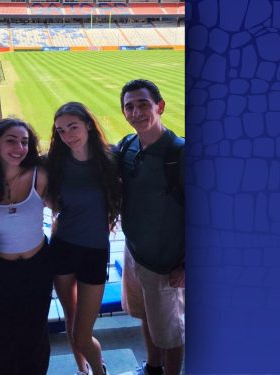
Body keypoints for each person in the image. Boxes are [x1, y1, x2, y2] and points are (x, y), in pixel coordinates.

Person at [47, 102, 122, 375]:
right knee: (71, 318)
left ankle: (99, 370)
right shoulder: (55, 162)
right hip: (63, 248)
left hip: (95, 252)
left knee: (83, 333)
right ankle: (82, 370)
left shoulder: (111, 159)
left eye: (73, 127)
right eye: (61, 130)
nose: (67, 135)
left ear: (88, 124)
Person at [116, 79, 185, 375]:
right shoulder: (127, 146)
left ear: (160, 106)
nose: (136, 112)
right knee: (145, 315)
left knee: (171, 333)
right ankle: (152, 368)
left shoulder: (179, 154)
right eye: (129, 107)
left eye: (143, 104)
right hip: (134, 253)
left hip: (166, 262)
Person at [0, 118, 52, 375]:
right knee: (3, 335)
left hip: (37, 268)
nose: (19, 147)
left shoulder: (39, 175)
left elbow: (63, 209)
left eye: (24, 142)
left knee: (34, 335)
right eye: (11, 140)